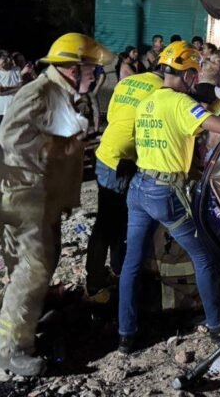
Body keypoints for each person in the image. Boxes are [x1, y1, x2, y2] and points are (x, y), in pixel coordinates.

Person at [117, 41, 220, 354]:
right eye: (193, 74)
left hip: (139, 188)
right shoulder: (179, 103)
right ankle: (217, 325)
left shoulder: (150, 101)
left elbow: (183, 129)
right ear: (187, 74)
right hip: (165, 194)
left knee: (132, 264)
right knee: (203, 256)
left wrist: (213, 103)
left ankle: (126, 335)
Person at [0, 32, 113, 376]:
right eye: (90, 70)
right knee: (31, 271)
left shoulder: (61, 94)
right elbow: (10, 138)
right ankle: (13, 349)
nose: (94, 76)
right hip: (25, 196)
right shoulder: (41, 92)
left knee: (44, 263)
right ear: (73, 69)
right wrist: (60, 145)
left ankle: (27, 319)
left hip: (43, 199)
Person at [86, 58, 165, 297]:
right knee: (112, 222)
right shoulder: (161, 91)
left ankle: (112, 273)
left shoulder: (128, 82)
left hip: (105, 154)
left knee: (112, 219)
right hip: (121, 161)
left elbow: (112, 116)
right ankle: (99, 279)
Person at [0, 51, 22, 155]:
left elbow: (21, 87)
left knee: (13, 129)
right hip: (1, 107)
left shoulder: (16, 70)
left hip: (14, 105)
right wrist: (14, 87)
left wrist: (6, 89)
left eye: (3, 59)